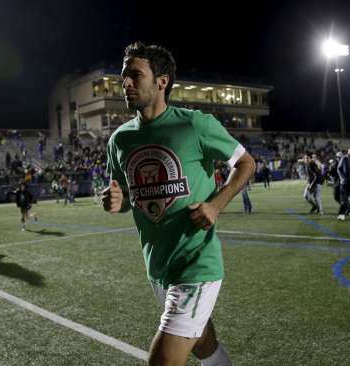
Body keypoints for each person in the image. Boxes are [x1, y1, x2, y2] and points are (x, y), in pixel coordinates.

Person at [103, 42, 255, 366]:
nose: (126, 83)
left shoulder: (193, 124)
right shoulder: (119, 140)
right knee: (205, 347)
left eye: (135, 75)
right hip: (158, 267)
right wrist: (116, 201)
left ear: (162, 81)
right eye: (123, 77)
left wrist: (215, 205)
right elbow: (128, 196)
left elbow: (245, 163)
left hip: (196, 263)